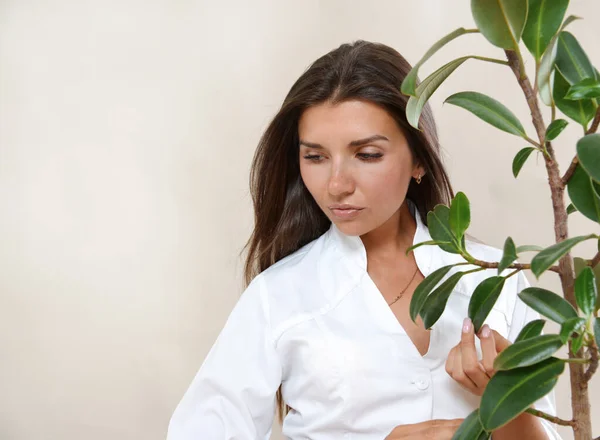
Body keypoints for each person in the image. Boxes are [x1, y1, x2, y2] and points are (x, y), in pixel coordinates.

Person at [167, 40, 561, 440]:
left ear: (420, 159)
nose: (337, 185)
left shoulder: (500, 280)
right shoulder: (278, 297)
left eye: (368, 154)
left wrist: (507, 400)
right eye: (315, 157)